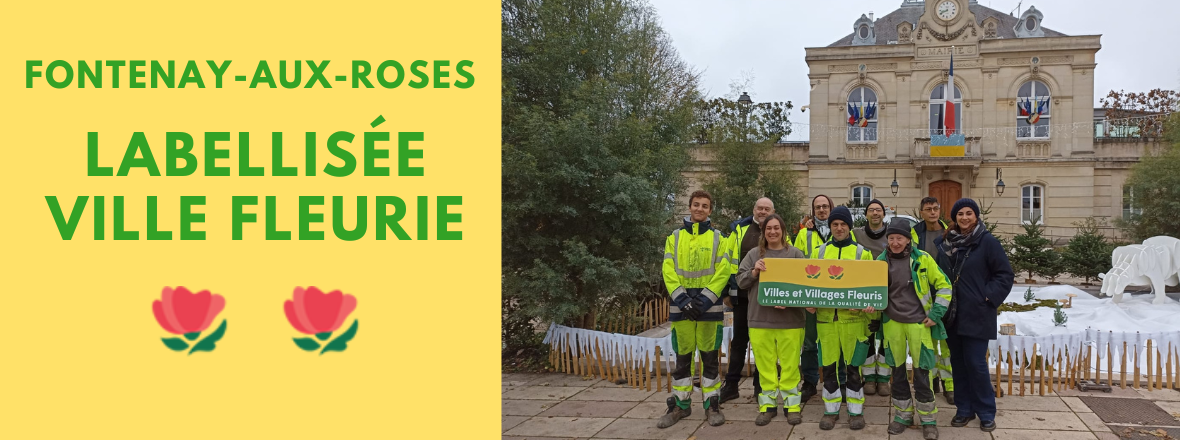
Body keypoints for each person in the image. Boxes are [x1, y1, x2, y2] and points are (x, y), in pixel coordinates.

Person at [934, 198, 1014, 433]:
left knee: (976, 364)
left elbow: (1004, 275)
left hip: (977, 313)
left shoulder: (987, 242)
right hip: (952, 314)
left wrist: (987, 297)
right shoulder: (945, 243)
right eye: (960, 214)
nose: (965, 218)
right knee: (957, 364)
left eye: (969, 213)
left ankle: (987, 412)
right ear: (955, 218)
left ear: (976, 216)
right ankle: (964, 409)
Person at [658, 190, 733, 429]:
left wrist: (703, 300)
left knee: (710, 357)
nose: (700, 209)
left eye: (705, 206)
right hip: (681, 307)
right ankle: (681, 405)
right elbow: (668, 269)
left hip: (708, 307)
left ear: (710, 210)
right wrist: (682, 299)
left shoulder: (720, 238)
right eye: (696, 205)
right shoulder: (674, 237)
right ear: (689, 207)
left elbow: (724, 271)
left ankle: (712, 403)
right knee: (683, 356)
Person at [877, 220, 953, 440]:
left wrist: (936, 314)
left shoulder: (923, 260)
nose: (895, 242)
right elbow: (870, 290)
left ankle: (928, 420)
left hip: (919, 324)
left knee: (922, 373)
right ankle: (903, 415)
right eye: (891, 238)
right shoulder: (880, 262)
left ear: (908, 239)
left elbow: (944, 285)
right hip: (893, 324)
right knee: (897, 372)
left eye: (899, 238)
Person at [735, 214, 807, 426]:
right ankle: (767, 407)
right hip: (760, 320)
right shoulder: (753, 254)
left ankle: (792, 406)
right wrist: (755, 271)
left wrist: (790, 301)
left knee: (791, 366)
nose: (773, 232)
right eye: (769, 229)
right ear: (763, 232)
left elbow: (805, 286)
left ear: (783, 231)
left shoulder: (795, 254)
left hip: (791, 321)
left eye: (777, 228)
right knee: (765, 367)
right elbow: (740, 281)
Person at [809, 206, 875, 430]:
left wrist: (869, 306)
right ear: (830, 226)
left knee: (854, 368)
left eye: (843, 224)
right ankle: (831, 409)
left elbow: (870, 286)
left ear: (849, 227)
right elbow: (809, 285)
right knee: (828, 368)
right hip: (826, 321)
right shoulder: (819, 252)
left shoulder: (861, 253)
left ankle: (856, 410)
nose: (839, 228)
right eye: (835, 224)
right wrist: (808, 304)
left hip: (853, 321)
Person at [720, 197, 775, 404]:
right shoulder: (739, 230)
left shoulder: (777, 230)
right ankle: (731, 385)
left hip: (767, 298)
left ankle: (761, 387)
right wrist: (726, 291)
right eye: (759, 208)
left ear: (773, 211)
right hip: (742, 297)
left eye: (766, 208)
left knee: (764, 344)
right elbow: (728, 262)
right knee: (740, 342)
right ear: (754, 209)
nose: (762, 211)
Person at [911, 196, 954, 403]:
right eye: (928, 209)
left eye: (936, 208)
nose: (933, 212)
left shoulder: (949, 233)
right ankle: (933, 381)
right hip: (921, 296)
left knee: (945, 343)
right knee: (927, 343)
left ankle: (949, 385)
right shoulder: (914, 233)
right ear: (921, 212)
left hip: (942, 294)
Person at [792, 194, 834, 403]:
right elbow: (797, 264)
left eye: (825, 206)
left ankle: (833, 382)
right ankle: (809, 382)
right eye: (818, 207)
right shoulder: (803, 234)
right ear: (813, 210)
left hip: (834, 298)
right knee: (809, 343)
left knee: (832, 342)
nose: (822, 210)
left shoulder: (842, 230)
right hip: (810, 297)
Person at [858, 199, 891, 397]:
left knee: (886, 338)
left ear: (883, 214)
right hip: (865, 293)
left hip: (889, 292)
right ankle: (869, 378)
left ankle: (884, 379)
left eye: (878, 210)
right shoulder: (857, 234)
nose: (875, 213)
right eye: (871, 210)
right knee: (867, 337)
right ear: (866, 214)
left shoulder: (893, 234)